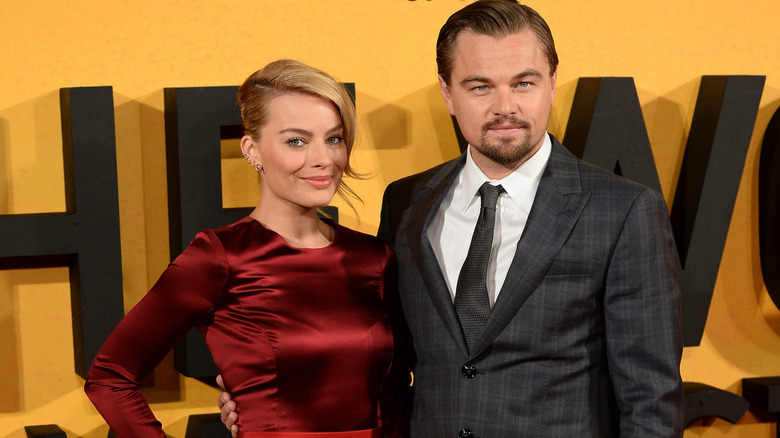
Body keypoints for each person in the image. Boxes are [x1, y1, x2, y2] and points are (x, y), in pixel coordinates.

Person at [221, 1, 684, 436]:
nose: (505, 106)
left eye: (524, 83)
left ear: (551, 83)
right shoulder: (407, 202)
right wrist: (268, 391)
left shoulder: (623, 211)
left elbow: (651, 400)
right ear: (448, 93)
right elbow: (380, 359)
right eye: (480, 86)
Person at [84, 59, 410, 438]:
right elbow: (109, 377)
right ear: (252, 149)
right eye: (296, 141)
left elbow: (395, 394)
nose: (324, 159)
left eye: (334, 139)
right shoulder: (221, 256)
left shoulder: (373, 257)